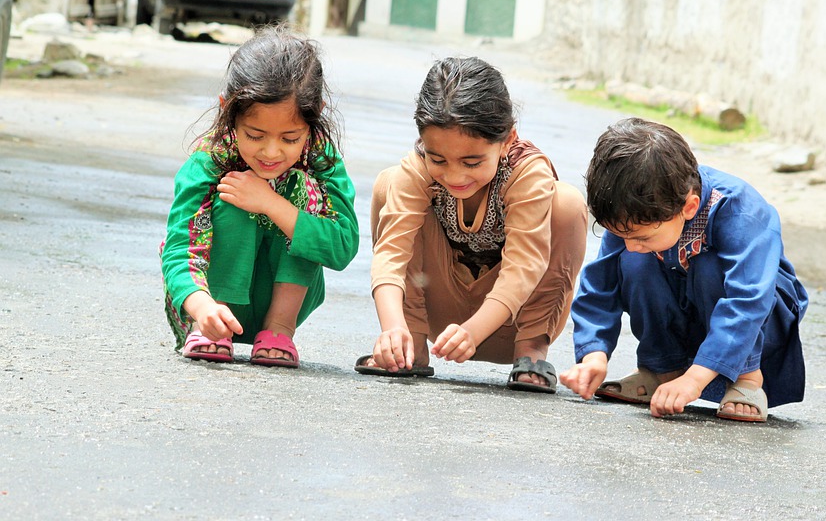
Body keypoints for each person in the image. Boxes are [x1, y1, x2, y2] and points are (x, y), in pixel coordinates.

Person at [355, 56, 587, 393]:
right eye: (439, 159)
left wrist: (475, 330)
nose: (454, 175)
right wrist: (393, 328)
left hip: (508, 323)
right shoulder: (417, 167)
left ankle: (532, 353)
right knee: (387, 183)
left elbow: (524, 265)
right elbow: (391, 253)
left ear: (508, 139)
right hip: (440, 325)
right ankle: (411, 348)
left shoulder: (526, 171)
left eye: (472, 161)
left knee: (566, 204)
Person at [559, 117, 807, 421]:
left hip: (759, 319)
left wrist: (695, 380)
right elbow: (600, 282)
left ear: (689, 207)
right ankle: (662, 369)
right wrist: (593, 355)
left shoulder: (740, 210)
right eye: (622, 235)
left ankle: (747, 378)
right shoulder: (633, 217)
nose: (631, 243)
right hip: (693, 309)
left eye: (641, 236)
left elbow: (749, 301)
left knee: (707, 265)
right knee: (635, 261)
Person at [160, 25, 359, 367]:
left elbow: (342, 247)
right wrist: (200, 305)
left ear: (315, 117)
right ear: (228, 111)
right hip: (207, 309)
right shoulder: (208, 162)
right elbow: (179, 250)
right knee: (233, 193)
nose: (271, 151)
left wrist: (271, 203)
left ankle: (279, 329)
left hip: (279, 308)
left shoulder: (322, 161)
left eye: (290, 138)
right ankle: (212, 328)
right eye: (255, 135)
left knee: (298, 193)